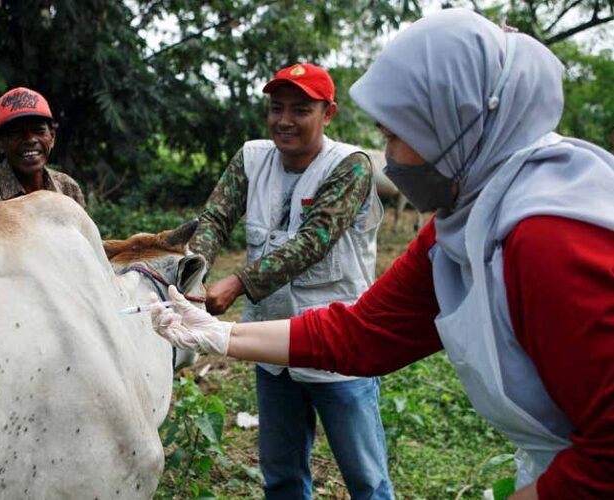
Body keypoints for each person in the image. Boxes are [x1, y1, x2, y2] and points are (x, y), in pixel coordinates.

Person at [151, 9, 614, 499]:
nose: (389, 158)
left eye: (396, 135)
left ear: (454, 126)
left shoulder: (548, 238)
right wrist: (225, 336)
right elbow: (365, 331)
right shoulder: (462, 227)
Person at [189, 62, 393, 499]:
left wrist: (236, 282)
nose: (284, 120)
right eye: (276, 108)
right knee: (281, 476)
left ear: (328, 113)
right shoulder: (252, 158)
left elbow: (313, 242)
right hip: (273, 346)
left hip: (340, 349)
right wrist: (195, 272)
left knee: (366, 481)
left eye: (300, 110)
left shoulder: (350, 166)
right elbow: (215, 217)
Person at [0, 87, 85, 209]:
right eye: (17, 132)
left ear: (52, 137)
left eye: (38, 130)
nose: (30, 139)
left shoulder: (68, 189)